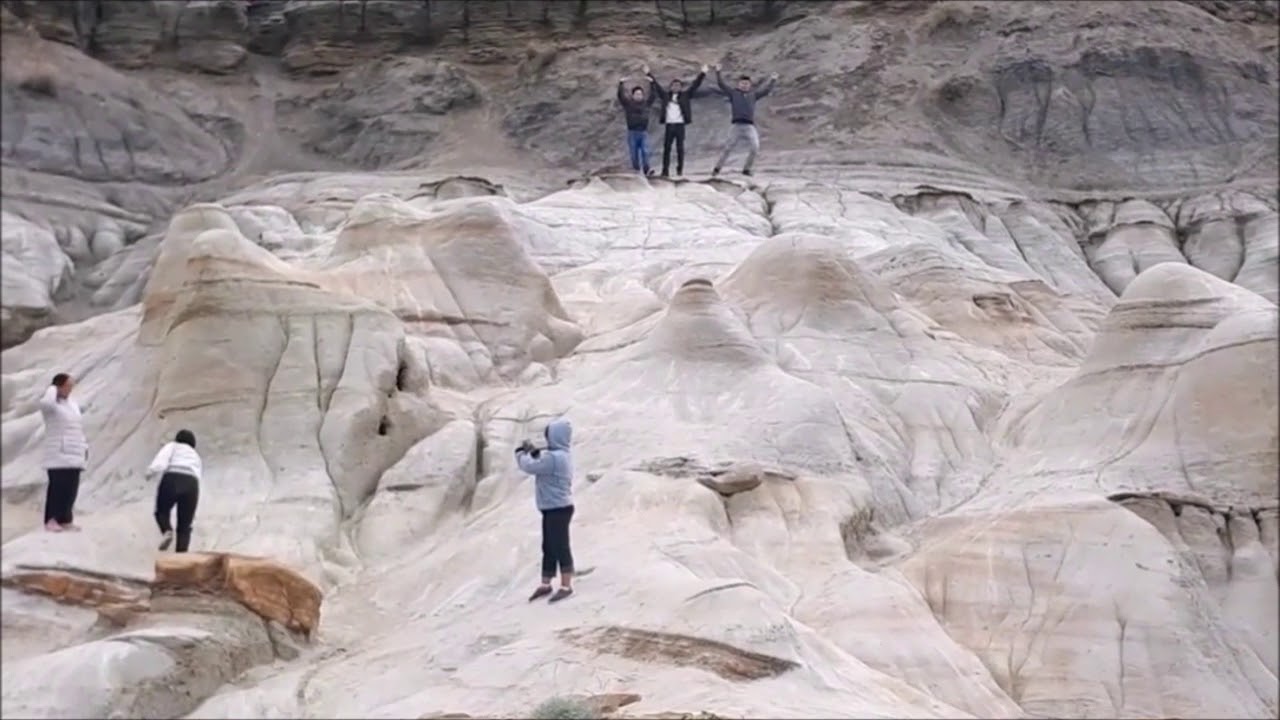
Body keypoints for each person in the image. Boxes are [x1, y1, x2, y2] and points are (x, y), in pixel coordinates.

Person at [514, 417, 576, 603]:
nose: (547, 438)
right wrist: (533, 452)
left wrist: (520, 453)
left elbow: (529, 466)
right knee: (549, 546)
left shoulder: (554, 458)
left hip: (557, 508)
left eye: (549, 435)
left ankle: (566, 586)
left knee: (559, 547)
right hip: (555, 507)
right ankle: (546, 583)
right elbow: (541, 460)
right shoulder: (562, 455)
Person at [38, 373, 88, 532]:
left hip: (75, 451)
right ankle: (51, 519)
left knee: (71, 488)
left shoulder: (71, 404)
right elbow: (46, 403)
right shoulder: (51, 406)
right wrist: (53, 388)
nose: (70, 390)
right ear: (58, 387)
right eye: (67, 386)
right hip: (58, 452)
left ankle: (65, 519)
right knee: (57, 488)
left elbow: (78, 425)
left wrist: (83, 448)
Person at [710, 65, 779, 177]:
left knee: (755, 147)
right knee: (728, 148)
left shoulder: (753, 95)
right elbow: (721, 85)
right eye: (742, 83)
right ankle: (717, 169)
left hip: (749, 126)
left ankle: (746, 169)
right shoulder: (734, 93)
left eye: (746, 84)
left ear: (750, 85)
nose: (744, 85)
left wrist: (773, 80)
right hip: (736, 126)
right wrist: (718, 72)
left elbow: (766, 91)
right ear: (739, 84)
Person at [645, 63, 709, 178]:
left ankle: (679, 170)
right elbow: (657, 86)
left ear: (681, 87)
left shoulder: (685, 95)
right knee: (667, 148)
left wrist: (703, 73)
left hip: (680, 125)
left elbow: (695, 85)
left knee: (680, 148)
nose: (676, 87)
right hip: (669, 125)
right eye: (674, 85)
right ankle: (665, 171)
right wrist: (648, 74)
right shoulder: (666, 96)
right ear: (671, 87)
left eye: (678, 85)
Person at [147, 429, 202, 552]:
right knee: (185, 526)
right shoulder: (196, 456)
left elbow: (161, 461)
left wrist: (151, 471)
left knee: (161, 511)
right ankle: (181, 558)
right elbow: (198, 476)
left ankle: (167, 530)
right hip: (192, 483)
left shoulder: (173, 446)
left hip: (172, 478)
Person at [617, 75, 657, 176]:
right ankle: (636, 171)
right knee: (634, 154)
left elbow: (653, 95)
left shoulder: (646, 104)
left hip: (643, 132)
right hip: (632, 132)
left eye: (640, 94)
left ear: (643, 95)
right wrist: (621, 84)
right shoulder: (628, 104)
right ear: (633, 95)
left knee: (645, 152)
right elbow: (620, 96)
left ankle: (647, 169)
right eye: (636, 94)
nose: (638, 96)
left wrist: (652, 83)